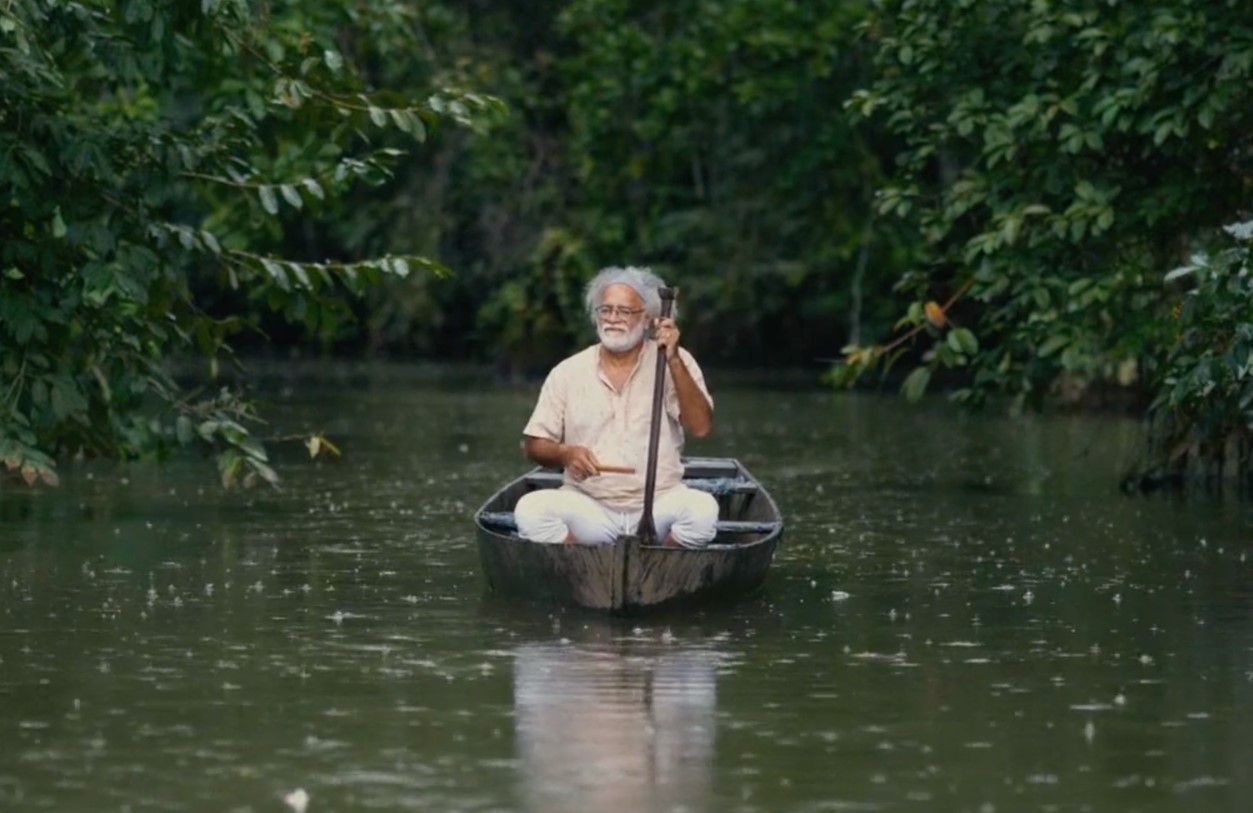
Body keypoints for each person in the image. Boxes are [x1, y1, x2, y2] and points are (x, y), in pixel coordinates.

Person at [514, 266, 719, 548]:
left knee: (703, 511)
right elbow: (534, 446)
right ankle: (585, 568)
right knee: (530, 510)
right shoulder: (567, 371)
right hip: (588, 505)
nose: (612, 319)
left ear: (647, 319)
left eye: (624, 311)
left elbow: (701, 427)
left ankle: (658, 567)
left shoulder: (675, 361)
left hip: (659, 503)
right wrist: (566, 453)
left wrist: (672, 359)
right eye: (605, 310)